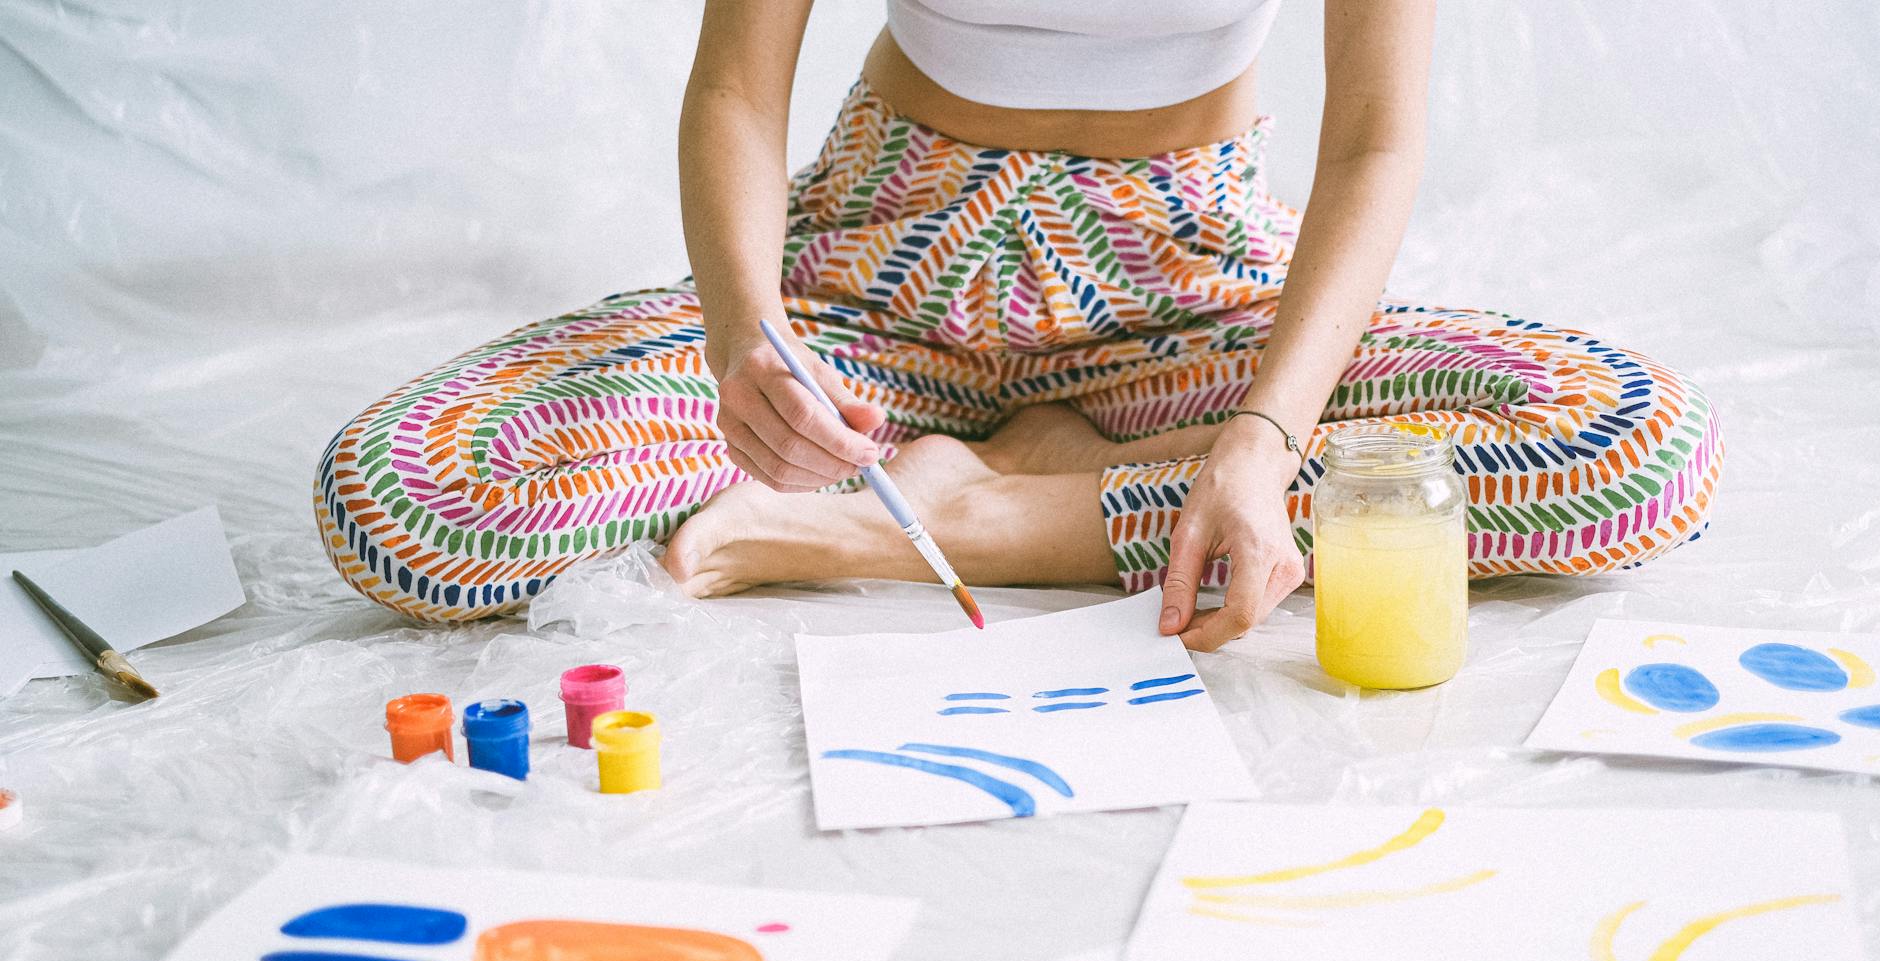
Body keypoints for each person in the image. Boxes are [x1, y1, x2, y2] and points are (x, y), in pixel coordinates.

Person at [314, 0, 1720, 650]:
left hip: (1190, 288)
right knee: (418, 500)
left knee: (1625, 445)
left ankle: (962, 518)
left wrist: (1261, 436)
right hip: (883, 272)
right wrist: (751, 334)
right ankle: (1043, 456)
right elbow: (739, 88)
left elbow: (1373, 147)